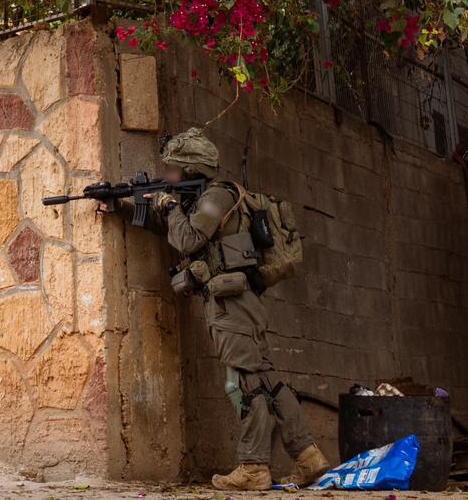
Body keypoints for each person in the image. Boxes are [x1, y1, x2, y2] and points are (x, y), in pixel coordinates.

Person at [103, 126, 330, 490]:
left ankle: (254, 468)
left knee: (244, 383)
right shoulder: (200, 201)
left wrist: (170, 205)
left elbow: (188, 239)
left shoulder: (217, 196)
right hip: (237, 302)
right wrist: (123, 207)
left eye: (173, 170)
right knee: (266, 380)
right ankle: (308, 457)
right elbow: (168, 227)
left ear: (192, 170)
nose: (168, 176)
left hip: (232, 304)